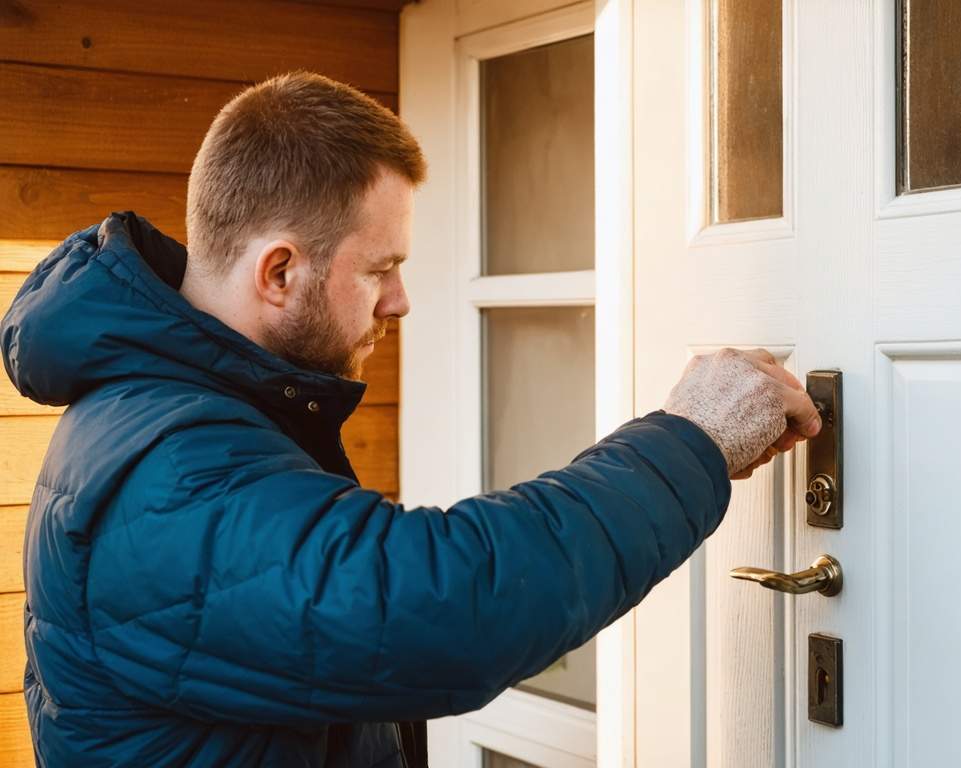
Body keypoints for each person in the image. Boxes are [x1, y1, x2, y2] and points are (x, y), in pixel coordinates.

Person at [1, 72, 819, 767]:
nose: (401, 300)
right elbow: (440, 607)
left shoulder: (181, 408)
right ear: (280, 270)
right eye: (382, 269)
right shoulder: (172, 474)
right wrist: (690, 441)